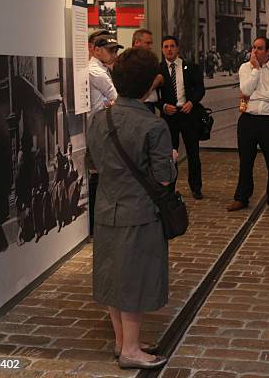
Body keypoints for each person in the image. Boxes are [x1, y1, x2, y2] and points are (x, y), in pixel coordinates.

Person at [86, 47, 177, 369]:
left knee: (114, 277)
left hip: (107, 208)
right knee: (134, 281)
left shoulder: (100, 118)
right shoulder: (153, 126)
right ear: (149, 84)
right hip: (140, 214)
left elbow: (93, 165)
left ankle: (121, 341)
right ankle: (131, 350)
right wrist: (173, 163)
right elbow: (164, 180)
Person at [226, 37, 269, 214]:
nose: (255, 51)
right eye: (254, 48)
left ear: (268, 51)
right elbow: (245, 91)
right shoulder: (245, 67)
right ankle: (241, 198)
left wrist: (255, 94)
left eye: (260, 48)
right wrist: (256, 70)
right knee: (245, 162)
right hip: (248, 121)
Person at [157, 35, 206, 200]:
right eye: (166, 46)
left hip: (187, 114)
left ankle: (196, 187)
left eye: (172, 46)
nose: (169, 49)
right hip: (169, 117)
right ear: (162, 49)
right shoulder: (158, 70)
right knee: (170, 154)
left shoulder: (190, 67)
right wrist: (163, 106)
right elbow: (153, 95)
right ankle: (170, 188)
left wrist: (191, 102)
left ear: (177, 48)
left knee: (193, 153)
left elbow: (200, 88)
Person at [87, 34, 122, 236]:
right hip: (98, 131)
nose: (114, 54)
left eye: (116, 50)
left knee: (102, 175)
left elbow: (115, 101)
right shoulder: (96, 72)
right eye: (110, 50)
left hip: (102, 128)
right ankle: (94, 223)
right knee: (98, 176)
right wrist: (111, 103)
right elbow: (117, 98)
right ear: (97, 50)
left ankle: (98, 221)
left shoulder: (103, 70)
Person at [131, 28, 164, 113]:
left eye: (151, 43)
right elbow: (141, 87)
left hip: (150, 105)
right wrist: (157, 80)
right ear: (137, 42)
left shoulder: (148, 60)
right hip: (138, 105)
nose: (150, 47)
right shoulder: (129, 62)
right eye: (147, 43)